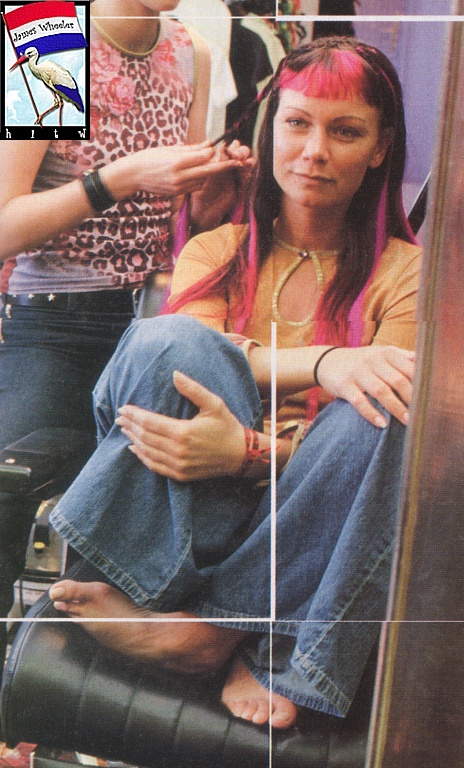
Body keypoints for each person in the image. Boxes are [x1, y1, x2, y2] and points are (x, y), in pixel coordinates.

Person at [47, 37, 422, 729]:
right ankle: (176, 600)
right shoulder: (45, 29)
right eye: (297, 124)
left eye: (346, 132)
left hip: (312, 528)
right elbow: (185, 359)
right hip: (182, 506)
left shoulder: (408, 273)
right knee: (166, 339)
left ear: (380, 148)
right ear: (271, 128)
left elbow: (381, 447)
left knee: (391, 405)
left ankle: (223, 631)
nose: (315, 151)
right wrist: (325, 364)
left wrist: (249, 452)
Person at [0, 0, 252, 667]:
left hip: (157, 322)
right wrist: (120, 177)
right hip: (55, 321)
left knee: (124, 557)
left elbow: (183, 223)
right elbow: (4, 225)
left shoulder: (190, 52)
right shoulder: (51, 36)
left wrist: (215, 195)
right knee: (10, 507)